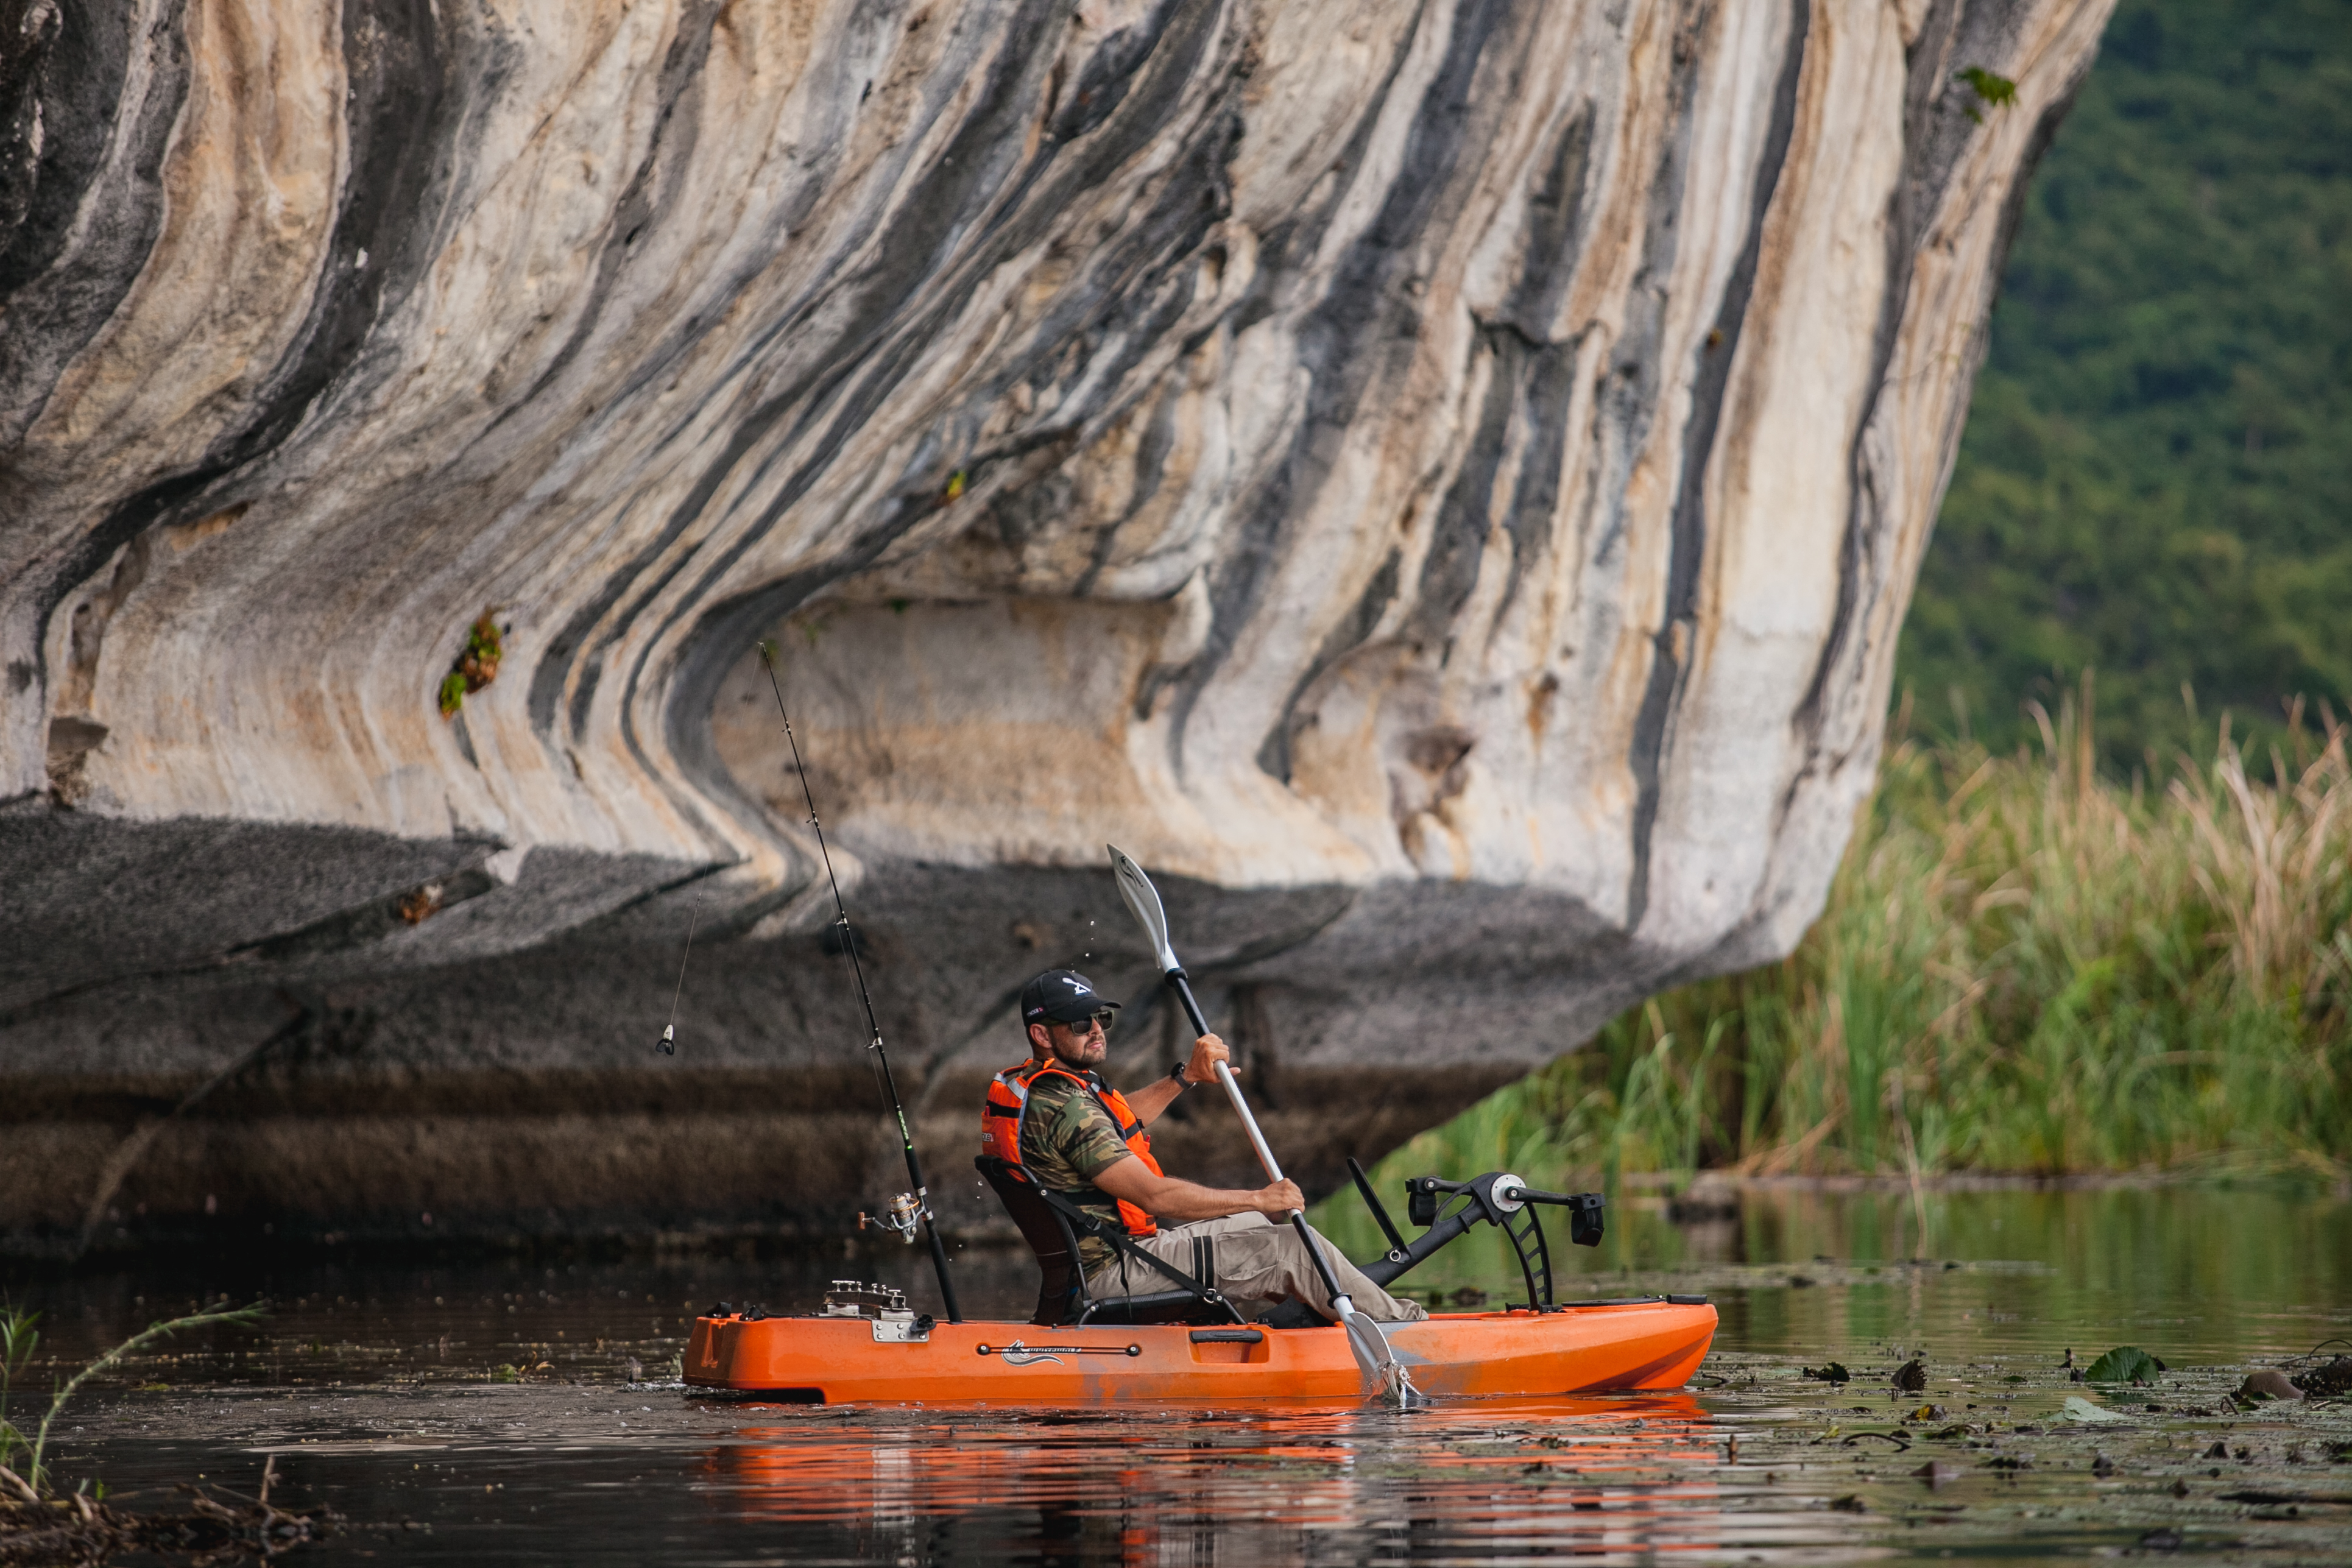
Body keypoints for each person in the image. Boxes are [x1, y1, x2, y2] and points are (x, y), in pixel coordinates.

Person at [981, 968, 1425, 1323]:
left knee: (1255, 1224)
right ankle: (1407, 1330)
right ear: (1041, 1035)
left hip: (1096, 1265)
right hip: (1114, 1273)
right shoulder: (1065, 1107)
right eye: (1080, 1024)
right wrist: (1260, 1196)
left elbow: (1115, 1122)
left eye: (1101, 1019)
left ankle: (1320, 1322)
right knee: (1290, 1245)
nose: (1096, 1031)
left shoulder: (1033, 1091)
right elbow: (1154, 1196)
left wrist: (1185, 1077)